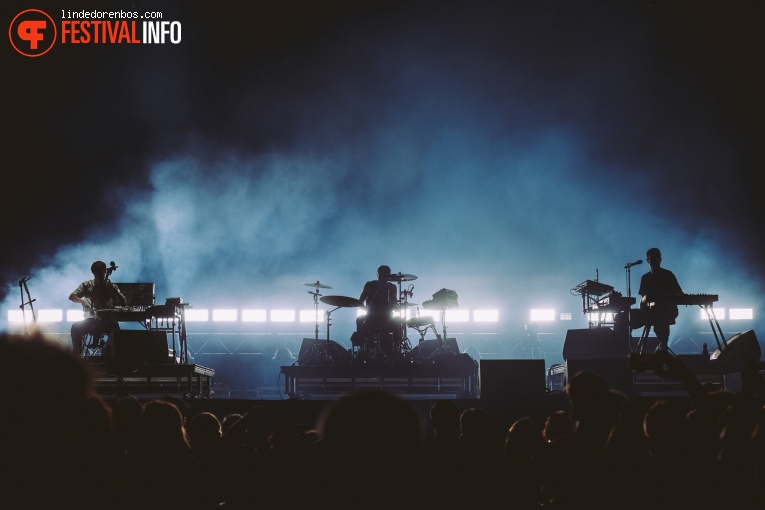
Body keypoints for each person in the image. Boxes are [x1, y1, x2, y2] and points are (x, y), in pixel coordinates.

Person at [69, 260, 126, 355]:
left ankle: (116, 357)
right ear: (93, 273)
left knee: (117, 335)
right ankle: (77, 355)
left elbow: (123, 303)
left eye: (102, 273)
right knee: (75, 327)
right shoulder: (87, 285)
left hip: (108, 320)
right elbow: (72, 296)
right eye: (97, 273)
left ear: (105, 271)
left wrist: (113, 290)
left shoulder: (112, 286)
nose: (100, 276)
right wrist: (83, 302)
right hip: (91, 319)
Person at [638, 248, 683, 352]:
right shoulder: (645, 278)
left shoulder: (668, 275)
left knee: (660, 319)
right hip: (652, 312)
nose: (654, 261)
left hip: (667, 311)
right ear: (648, 260)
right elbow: (643, 299)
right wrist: (642, 311)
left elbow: (679, 294)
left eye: (656, 259)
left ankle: (662, 347)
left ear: (660, 260)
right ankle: (663, 347)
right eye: (652, 259)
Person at [356, 264, 398, 334]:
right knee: (360, 320)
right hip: (374, 317)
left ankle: (362, 340)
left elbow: (360, 301)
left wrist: (364, 307)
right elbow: (360, 301)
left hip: (383, 317)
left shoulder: (392, 287)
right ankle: (363, 340)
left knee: (360, 320)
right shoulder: (370, 285)